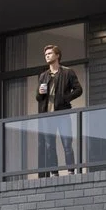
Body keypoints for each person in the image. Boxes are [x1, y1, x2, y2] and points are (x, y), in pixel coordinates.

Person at [35, 42, 84, 172]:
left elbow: (78, 90)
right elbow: (39, 98)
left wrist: (65, 99)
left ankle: (71, 171)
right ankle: (54, 173)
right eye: (45, 54)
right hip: (47, 116)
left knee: (67, 144)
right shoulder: (43, 76)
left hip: (62, 114)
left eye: (49, 53)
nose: (47, 56)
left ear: (57, 55)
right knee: (49, 145)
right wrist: (40, 93)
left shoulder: (68, 72)